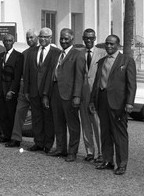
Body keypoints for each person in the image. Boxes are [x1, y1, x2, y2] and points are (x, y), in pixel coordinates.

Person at [90, 35, 136, 176]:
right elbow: (97, 83)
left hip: (118, 102)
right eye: (107, 44)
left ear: (118, 45)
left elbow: (131, 84)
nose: (109, 46)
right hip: (102, 100)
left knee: (119, 134)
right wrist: (92, 101)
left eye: (112, 44)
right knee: (105, 133)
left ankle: (122, 164)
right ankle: (108, 160)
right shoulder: (102, 61)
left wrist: (129, 103)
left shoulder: (126, 61)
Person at [43, 28, 84, 162]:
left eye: (66, 39)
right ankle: (61, 148)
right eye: (61, 38)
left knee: (72, 125)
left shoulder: (77, 54)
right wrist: (46, 94)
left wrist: (77, 96)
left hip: (70, 94)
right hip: (55, 92)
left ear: (72, 39)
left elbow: (79, 77)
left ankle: (72, 152)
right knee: (58, 123)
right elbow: (50, 75)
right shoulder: (57, 54)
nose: (63, 41)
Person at [23, 28, 59, 152]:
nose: (43, 39)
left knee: (48, 119)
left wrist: (48, 93)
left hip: (48, 92)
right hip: (33, 91)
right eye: (41, 37)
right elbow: (27, 71)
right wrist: (26, 90)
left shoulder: (56, 53)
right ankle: (38, 142)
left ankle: (48, 145)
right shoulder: (32, 52)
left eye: (45, 37)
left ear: (50, 38)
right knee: (36, 118)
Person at [5, 29, 38, 148]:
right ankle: (16, 138)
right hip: (24, 88)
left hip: (37, 88)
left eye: (32, 37)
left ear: (37, 37)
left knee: (37, 117)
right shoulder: (23, 54)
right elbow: (19, 73)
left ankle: (39, 142)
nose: (29, 40)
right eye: (28, 38)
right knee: (19, 113)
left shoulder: (42, 51)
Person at [79, 28, 105, 163]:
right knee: (86, 125)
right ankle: (90, 152)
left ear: (95, 39)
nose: (88, 40)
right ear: (83, 39)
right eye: (86, 38)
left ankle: (101, 153)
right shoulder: (79, 53)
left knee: (98, 125)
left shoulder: (102, 53)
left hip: (96, 96)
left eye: (91, 38)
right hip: (83, 95)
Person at [0, 34, 24, 143]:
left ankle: (14, 138)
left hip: (11, 89)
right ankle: (6, 135)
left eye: (10, 41)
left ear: (13, 42)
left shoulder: (18, 56)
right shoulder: (1, 56)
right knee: (3, 114)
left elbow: (17, 76)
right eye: (5, 41)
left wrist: (12, 90)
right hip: (1, 88)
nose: (7, 42)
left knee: (11, 114)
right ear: (3, 42)